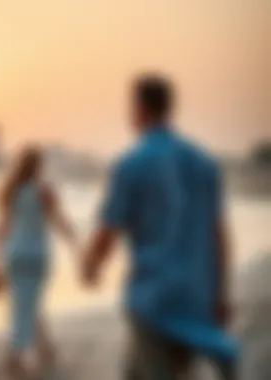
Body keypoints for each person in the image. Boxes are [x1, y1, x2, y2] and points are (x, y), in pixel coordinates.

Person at [81, 74, 238, 379]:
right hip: (195, 299)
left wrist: (91, 264)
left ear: (139, 107)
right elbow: (218, 235)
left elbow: (109, 229)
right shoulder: (204, 163)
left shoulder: (131, 164)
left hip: (153, 299)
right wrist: (221, 294)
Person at [0, 146, 76, 379]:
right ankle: (14, 357)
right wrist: (75, 243)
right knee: (28, 303)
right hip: (37, 254)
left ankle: (47, 350)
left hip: (15, 253)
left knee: (25, 302)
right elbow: (58, 220)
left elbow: (2, 226)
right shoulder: (44, 190)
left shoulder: (10, 190)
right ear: (39, 166)